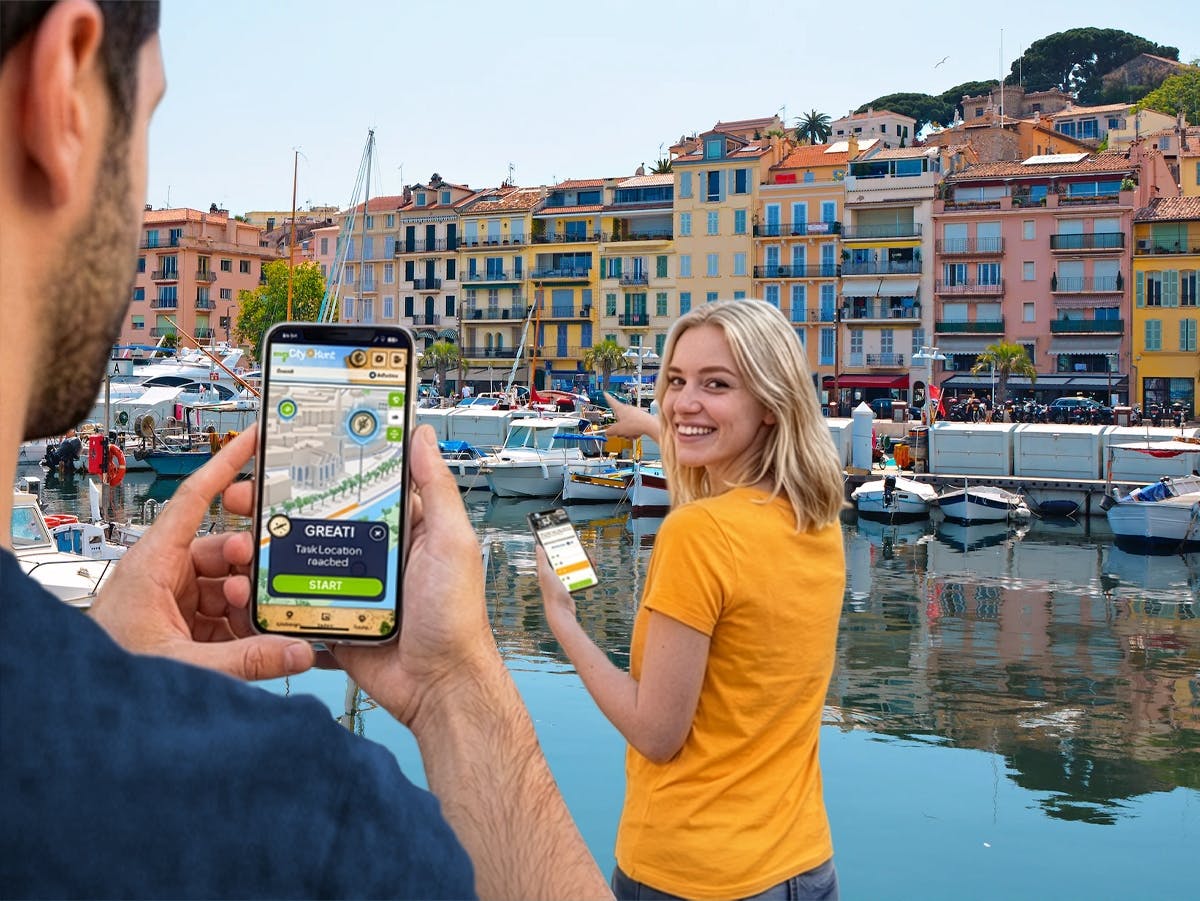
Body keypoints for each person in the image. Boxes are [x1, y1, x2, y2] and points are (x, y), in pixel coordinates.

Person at [0, 3, 609, 898]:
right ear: (65, 91)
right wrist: (455, 684)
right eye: (149, 123)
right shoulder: (304, 830)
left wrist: (99, 667)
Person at [539, 300, 847, 900]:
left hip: (693, 874)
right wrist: (650, 425)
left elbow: (657, 734)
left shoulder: (698, 535)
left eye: (716, 384)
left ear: (769, 404)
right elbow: (710, 447)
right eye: (676, 381)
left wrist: (564, 623)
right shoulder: (818, 520)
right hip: (803, 865)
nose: (683, 402)